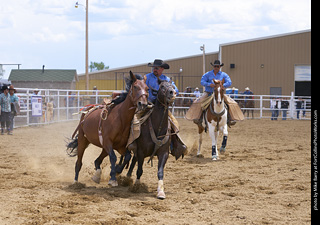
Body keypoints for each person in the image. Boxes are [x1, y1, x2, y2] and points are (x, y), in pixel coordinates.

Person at [186, 60, 238, 131]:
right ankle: (199, 118)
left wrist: (222, 85)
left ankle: (230, 119)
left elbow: (229, 82)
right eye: (215, 66)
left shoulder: (224, 75)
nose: (216, 67)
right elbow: (202, 81)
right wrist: (209, 84)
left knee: (230, 102)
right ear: (213, 66)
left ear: (220, 67)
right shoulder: (208, 74)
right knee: (199, 102)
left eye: (218, 66)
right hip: (208, 92)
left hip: (219, 93)